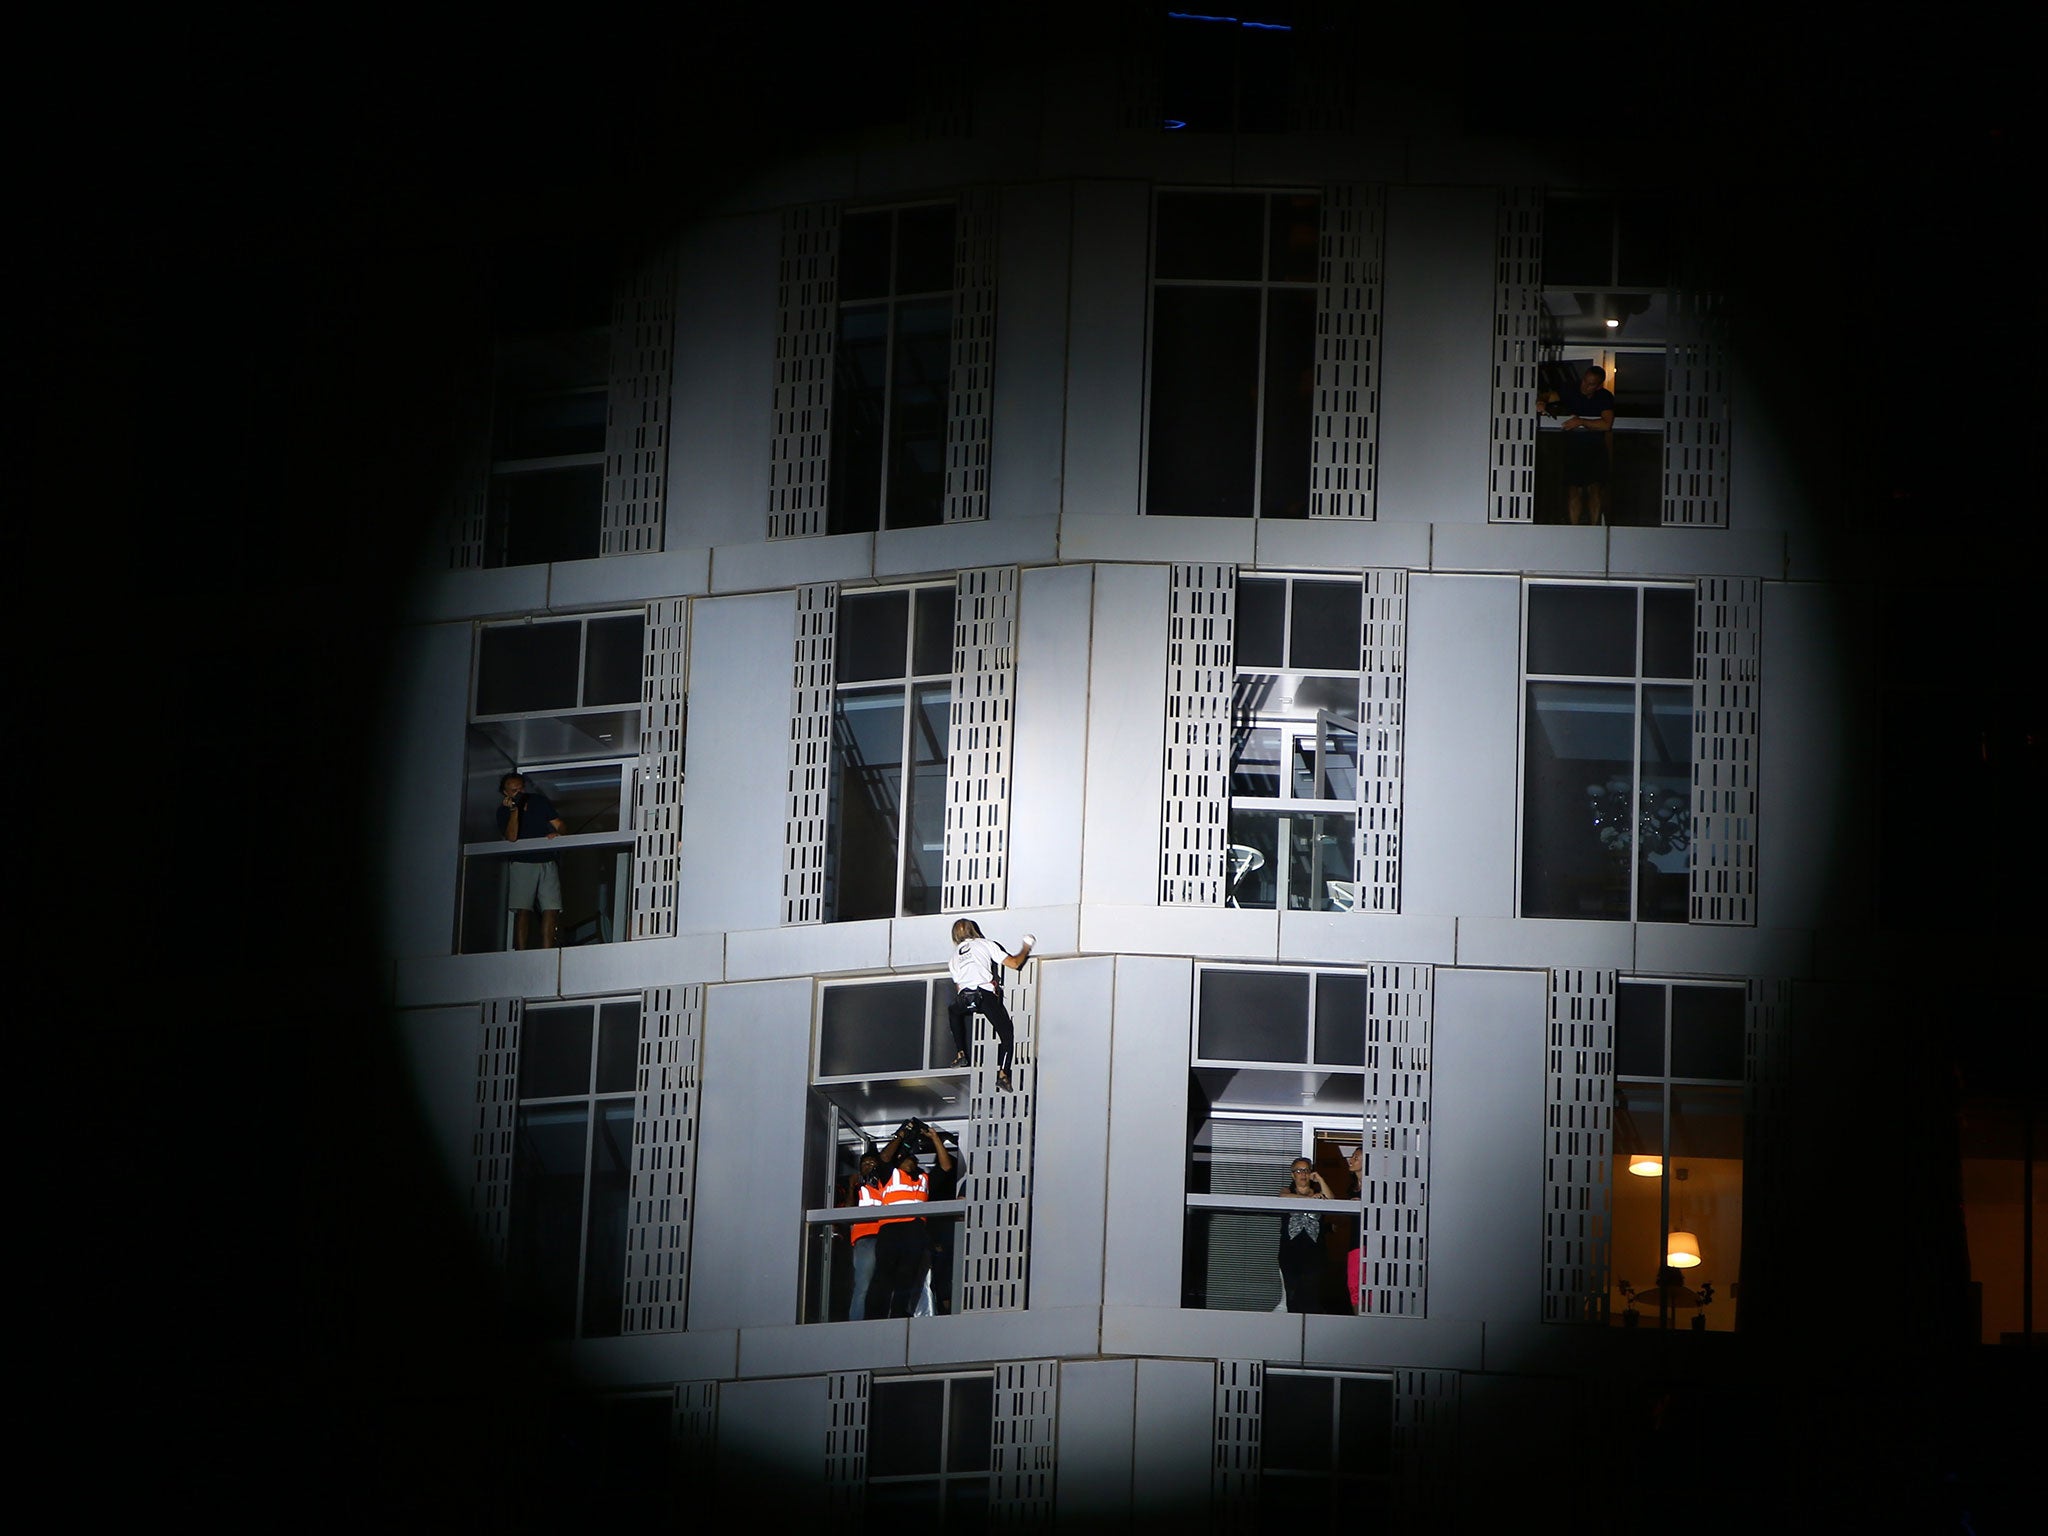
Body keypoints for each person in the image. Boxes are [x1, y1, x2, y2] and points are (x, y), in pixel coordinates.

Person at [865, 1124, 954, 1320]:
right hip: (891, 1229)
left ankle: (898, 1313)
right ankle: (873, 1316)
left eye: (913, 1160)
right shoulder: (891, 1175)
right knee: (883, 1275)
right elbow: (885, 1157)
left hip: (915, 1231)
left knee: (907, 1277)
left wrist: (935, 1138)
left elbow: (946, 1166)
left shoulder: (923, 1179)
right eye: (906, 1159)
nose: (910, 1162)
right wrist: (901, 1135)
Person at [947, 920, 1034, 1092]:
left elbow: (959, 986)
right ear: (975, 931)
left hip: (965, 997)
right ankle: (1003, 1074)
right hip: (985, 995)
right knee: (1006, 1034)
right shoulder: (985, 944)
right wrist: (1026, 946)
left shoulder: (954, 957)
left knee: (953, 1011)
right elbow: (1015, 963)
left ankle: (960, 1053)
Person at [496, 772, 566, 949]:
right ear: (505, 793)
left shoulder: (539, 801)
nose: (518, 793)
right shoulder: (503, 811)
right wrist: (514, 810)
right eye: (513, 790)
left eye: (520, 788)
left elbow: (560, 824)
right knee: (523, 909)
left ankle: (547, 950)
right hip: (522, 861)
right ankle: (521, 952)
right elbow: (511, 837)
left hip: (546, 859)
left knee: (551, 908)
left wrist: (559, 834)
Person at [1540, 365, 1617, 526]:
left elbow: (1606, 424)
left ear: (1598, 386)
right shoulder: (1571, 390)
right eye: (1584, 381)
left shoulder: (1604, 397)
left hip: (1595, 447)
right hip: (1573, 447)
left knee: (1595, 487)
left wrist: (1581, 421)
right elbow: (1549, 396)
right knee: (1573, 488)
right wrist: (1542, 402)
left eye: (1590, 384)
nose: (1585, 386)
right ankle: (1574, 528)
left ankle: (1594, 526)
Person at [1277, 1155, 1334, 1314]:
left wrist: (1320, 1180)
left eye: (1306, 1170)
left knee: (1311, 1296)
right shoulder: (1288, 1191)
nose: (1303, 1174)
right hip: (1290, 1253)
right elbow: (1282, 1197)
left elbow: (1332, 1200)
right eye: (1299, 1170)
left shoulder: (1318, 1193)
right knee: (1292, 1296)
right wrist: (1309, 1199)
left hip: (1314, 1254)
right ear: (1292, 1174)